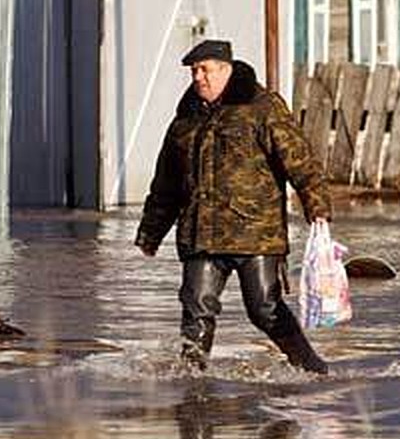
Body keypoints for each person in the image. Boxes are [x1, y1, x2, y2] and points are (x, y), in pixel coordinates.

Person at [135, 39, 331, 374]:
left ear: (225, 69)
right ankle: (192, 384)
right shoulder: (185, 119)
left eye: (205, 70)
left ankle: (311, 368)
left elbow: (299, 159)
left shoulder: (262, 107)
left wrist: (317, 206)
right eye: (194, 71)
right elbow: (166, 184)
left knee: (264, 309)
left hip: (255, 234)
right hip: (200, 236)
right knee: (196, 311)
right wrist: (150, 234)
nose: (198, 77)